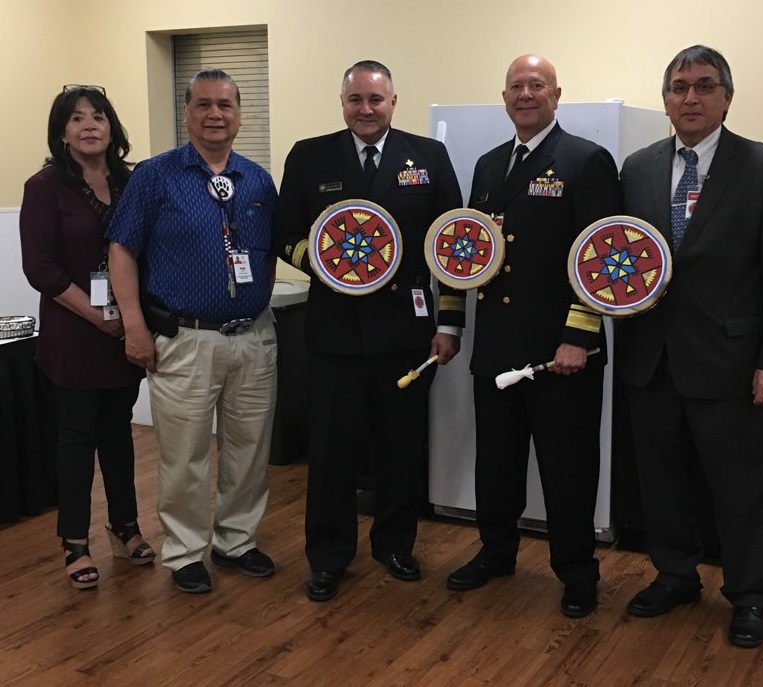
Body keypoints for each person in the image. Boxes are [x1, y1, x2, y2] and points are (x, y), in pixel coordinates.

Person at [617, 45, 763, 647]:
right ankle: (675, 575)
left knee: (738, 487)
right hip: (652, 360)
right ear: (666, 98)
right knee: (662, 481)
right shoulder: (638, 168)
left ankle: (750, 594)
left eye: (704, 86)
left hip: (731, 364)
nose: (690, 98)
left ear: (727, 96)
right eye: (678, 87)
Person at [274, 59, 465, 602]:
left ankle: (395, 544)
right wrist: (328, 262)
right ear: (342, 103)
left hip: (406, 333)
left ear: (393, 102)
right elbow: (284, 233)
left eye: (375, 99)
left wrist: (448, 321)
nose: (365, 108)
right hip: (333, 334)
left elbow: (450, 247)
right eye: (355, 99)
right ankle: (329, 556)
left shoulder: (427, 157)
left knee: (401, 448)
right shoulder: (310, 155)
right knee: (331, 451)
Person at [445, 55, 622, 618]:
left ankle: (576, 570)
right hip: (496, 344)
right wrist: (452, 321)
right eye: (517, 86)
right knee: (495, 463)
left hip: (560, 351)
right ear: (504, 97)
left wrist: (579, 336)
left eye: (536, 85)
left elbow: (605, 257)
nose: (526, 94)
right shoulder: (488, 164)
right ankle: (496, 553)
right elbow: (465, 252)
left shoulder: (585, 160)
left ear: (556, 94)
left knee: (567, 469)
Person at [106, 69, 279, 594]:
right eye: (203, 104)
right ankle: (184, 551)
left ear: (239, 114)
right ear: (187, 112)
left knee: (249, 447)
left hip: (253, 336)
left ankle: (236, 541)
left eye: (225, 105)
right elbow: (121, 249)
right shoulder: (155, 176)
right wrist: (133, 325)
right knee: (184, 454)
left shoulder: (257, 180)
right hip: (185, 338)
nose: (214, 115)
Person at [19, 85, 155, 589]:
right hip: (75, 332)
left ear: (111, 127)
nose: (89, 126)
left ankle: (126, 527)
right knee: (76, 438)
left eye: (98, 116)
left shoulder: (131, 182)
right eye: (76, 119)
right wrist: (104, 320)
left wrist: (133, 320)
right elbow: (42, 270)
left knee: (118, 433)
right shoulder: (45, 186)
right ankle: (74, 543)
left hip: (128, 329)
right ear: (62, 132)